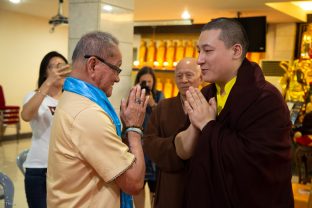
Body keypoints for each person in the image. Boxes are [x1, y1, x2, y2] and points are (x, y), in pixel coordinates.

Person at [174, 18, 294, 207]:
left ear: (236, 51)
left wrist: (207, 125)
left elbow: (258, 166)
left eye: (208, 50)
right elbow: (181, 151)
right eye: (199, 51)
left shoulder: (266, 99)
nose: (199, 59)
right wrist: (196, 128)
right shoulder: (205, 95)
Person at [47, 31, 148, 208]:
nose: (117, 78)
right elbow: (134, 183)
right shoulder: (87, 113)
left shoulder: (72, 98)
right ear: (93, 65)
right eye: (116, 68)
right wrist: (134, 129)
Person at [143, 57, 202, 208]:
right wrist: (176, 147)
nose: (184, 80)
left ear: (200, 77)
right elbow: (149, 142)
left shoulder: (209, 106)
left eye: (189, 75)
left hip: (200, 183)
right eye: (179, 76)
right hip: (171, 183)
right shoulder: (163, 107)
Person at [21, 51, 70, 208]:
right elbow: (26, 115)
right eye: (53, 67)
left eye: (61, 66)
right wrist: (48, 83)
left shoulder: (71, 99)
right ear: (45, 72)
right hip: (39, 169)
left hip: (65, 169)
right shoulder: (34, 96)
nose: (58, 70)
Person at [133, 66, 164, 208]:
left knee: (155, 188)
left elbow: (164, 118)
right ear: (138, 82)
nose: (146, 84)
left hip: (154, 149)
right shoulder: (133, 96)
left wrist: (152, 103)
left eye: (149, 81)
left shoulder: (159, 95)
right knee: (137, 187)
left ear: (154, 82)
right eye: (143, 81)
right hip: (138, 147)